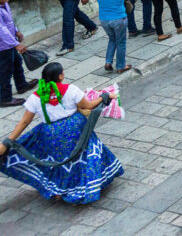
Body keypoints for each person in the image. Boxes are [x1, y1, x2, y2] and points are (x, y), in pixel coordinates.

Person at [0, 62, 121, 203]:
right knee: (85, 154)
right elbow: (88, 105)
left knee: (59, 161)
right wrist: (104, 96)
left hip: (51, 133)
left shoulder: (35, 97)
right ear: (60, 76)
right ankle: (90, 185)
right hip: (75, 128)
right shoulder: (71, 90)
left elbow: (24, 122)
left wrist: (6, 143)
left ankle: (59, 190)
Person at [0, 0, 35, 107]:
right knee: (5, 70)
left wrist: (16, 31)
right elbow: (1, 30)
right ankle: (5, 98)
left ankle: (21, 85)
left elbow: (9, 21)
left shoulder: (5, 4)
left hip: (10, 42)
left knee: (17, 63)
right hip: (3, 46)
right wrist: (16, 44)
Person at [95, 0, 131, 73]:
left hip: (104, 20)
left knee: (112, 39)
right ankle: (120, 66)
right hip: (118, 19)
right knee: (121, 42)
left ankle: (108, 62)